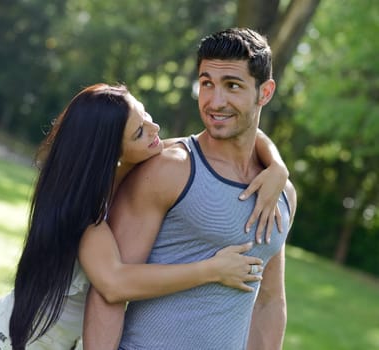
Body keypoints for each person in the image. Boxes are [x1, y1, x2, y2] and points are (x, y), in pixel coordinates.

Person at [0, 82, 289, 350]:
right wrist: (212, 269)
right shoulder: (83, 210)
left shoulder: (140, 161)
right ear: (112, 151)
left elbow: (239, 135)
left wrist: (276, 166)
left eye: (145, 115)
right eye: (139, 132)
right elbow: (114, 282)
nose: (154, 129)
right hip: (11, 341)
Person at [83, 28, 298, 350]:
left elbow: (269, 303)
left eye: (232, 86)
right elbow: (109, 290)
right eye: (207, 83)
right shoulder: (169, 170)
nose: (215, 101)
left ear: (264, 93)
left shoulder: (281, 193)